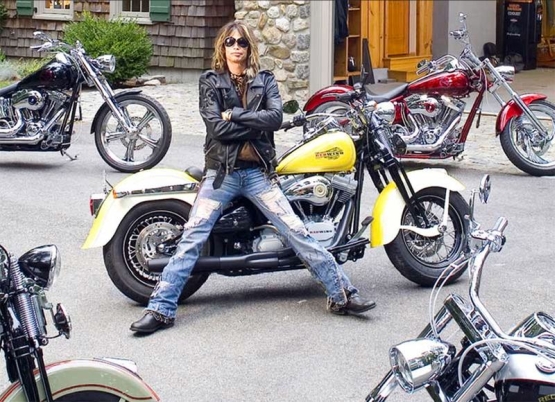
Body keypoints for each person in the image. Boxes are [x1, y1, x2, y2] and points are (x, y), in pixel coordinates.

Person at [130, 20, 376, 335]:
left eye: (242, 42)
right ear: (222, 46)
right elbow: (217, 129)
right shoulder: (210, 81)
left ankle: (343, 295)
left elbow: (274, 118)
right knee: (192, 237)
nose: (236, 47)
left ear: (250, 48)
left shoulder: (265, 80)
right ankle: (161, 310)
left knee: (296, 230)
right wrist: (254, 124)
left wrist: (234, 115)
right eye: (230, 42)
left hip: (258, 173)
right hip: (222, 174)